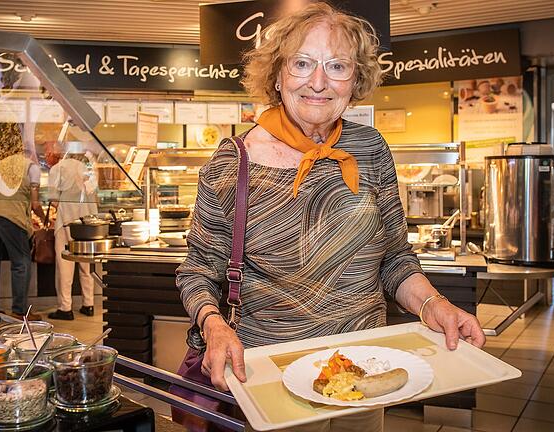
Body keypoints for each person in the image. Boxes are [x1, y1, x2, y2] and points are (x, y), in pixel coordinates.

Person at [176, 4, 485, 431]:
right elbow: (197, 271)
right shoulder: (235, 159)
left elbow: (394, 258)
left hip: (364, 368)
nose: (318, 82)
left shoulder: (370, 148)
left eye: (336, 66)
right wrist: (214, 325)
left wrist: (435, 304)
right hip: (268, 375)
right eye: (302, 63)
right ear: (278, 75)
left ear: (355, 81)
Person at [0, 122, 44, 321]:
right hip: (9, 217)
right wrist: (43, 218)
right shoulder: (30, 166)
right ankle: (19, 311)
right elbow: (35, 203)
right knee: (21, 263)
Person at [47, 141, 99, 320]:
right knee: (87, 264)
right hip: (88, 221)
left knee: (65, 265)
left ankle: (65, 308)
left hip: (66, 220)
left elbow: (53, 199)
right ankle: (88, 304)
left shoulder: (57, 169)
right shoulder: (87, 168)